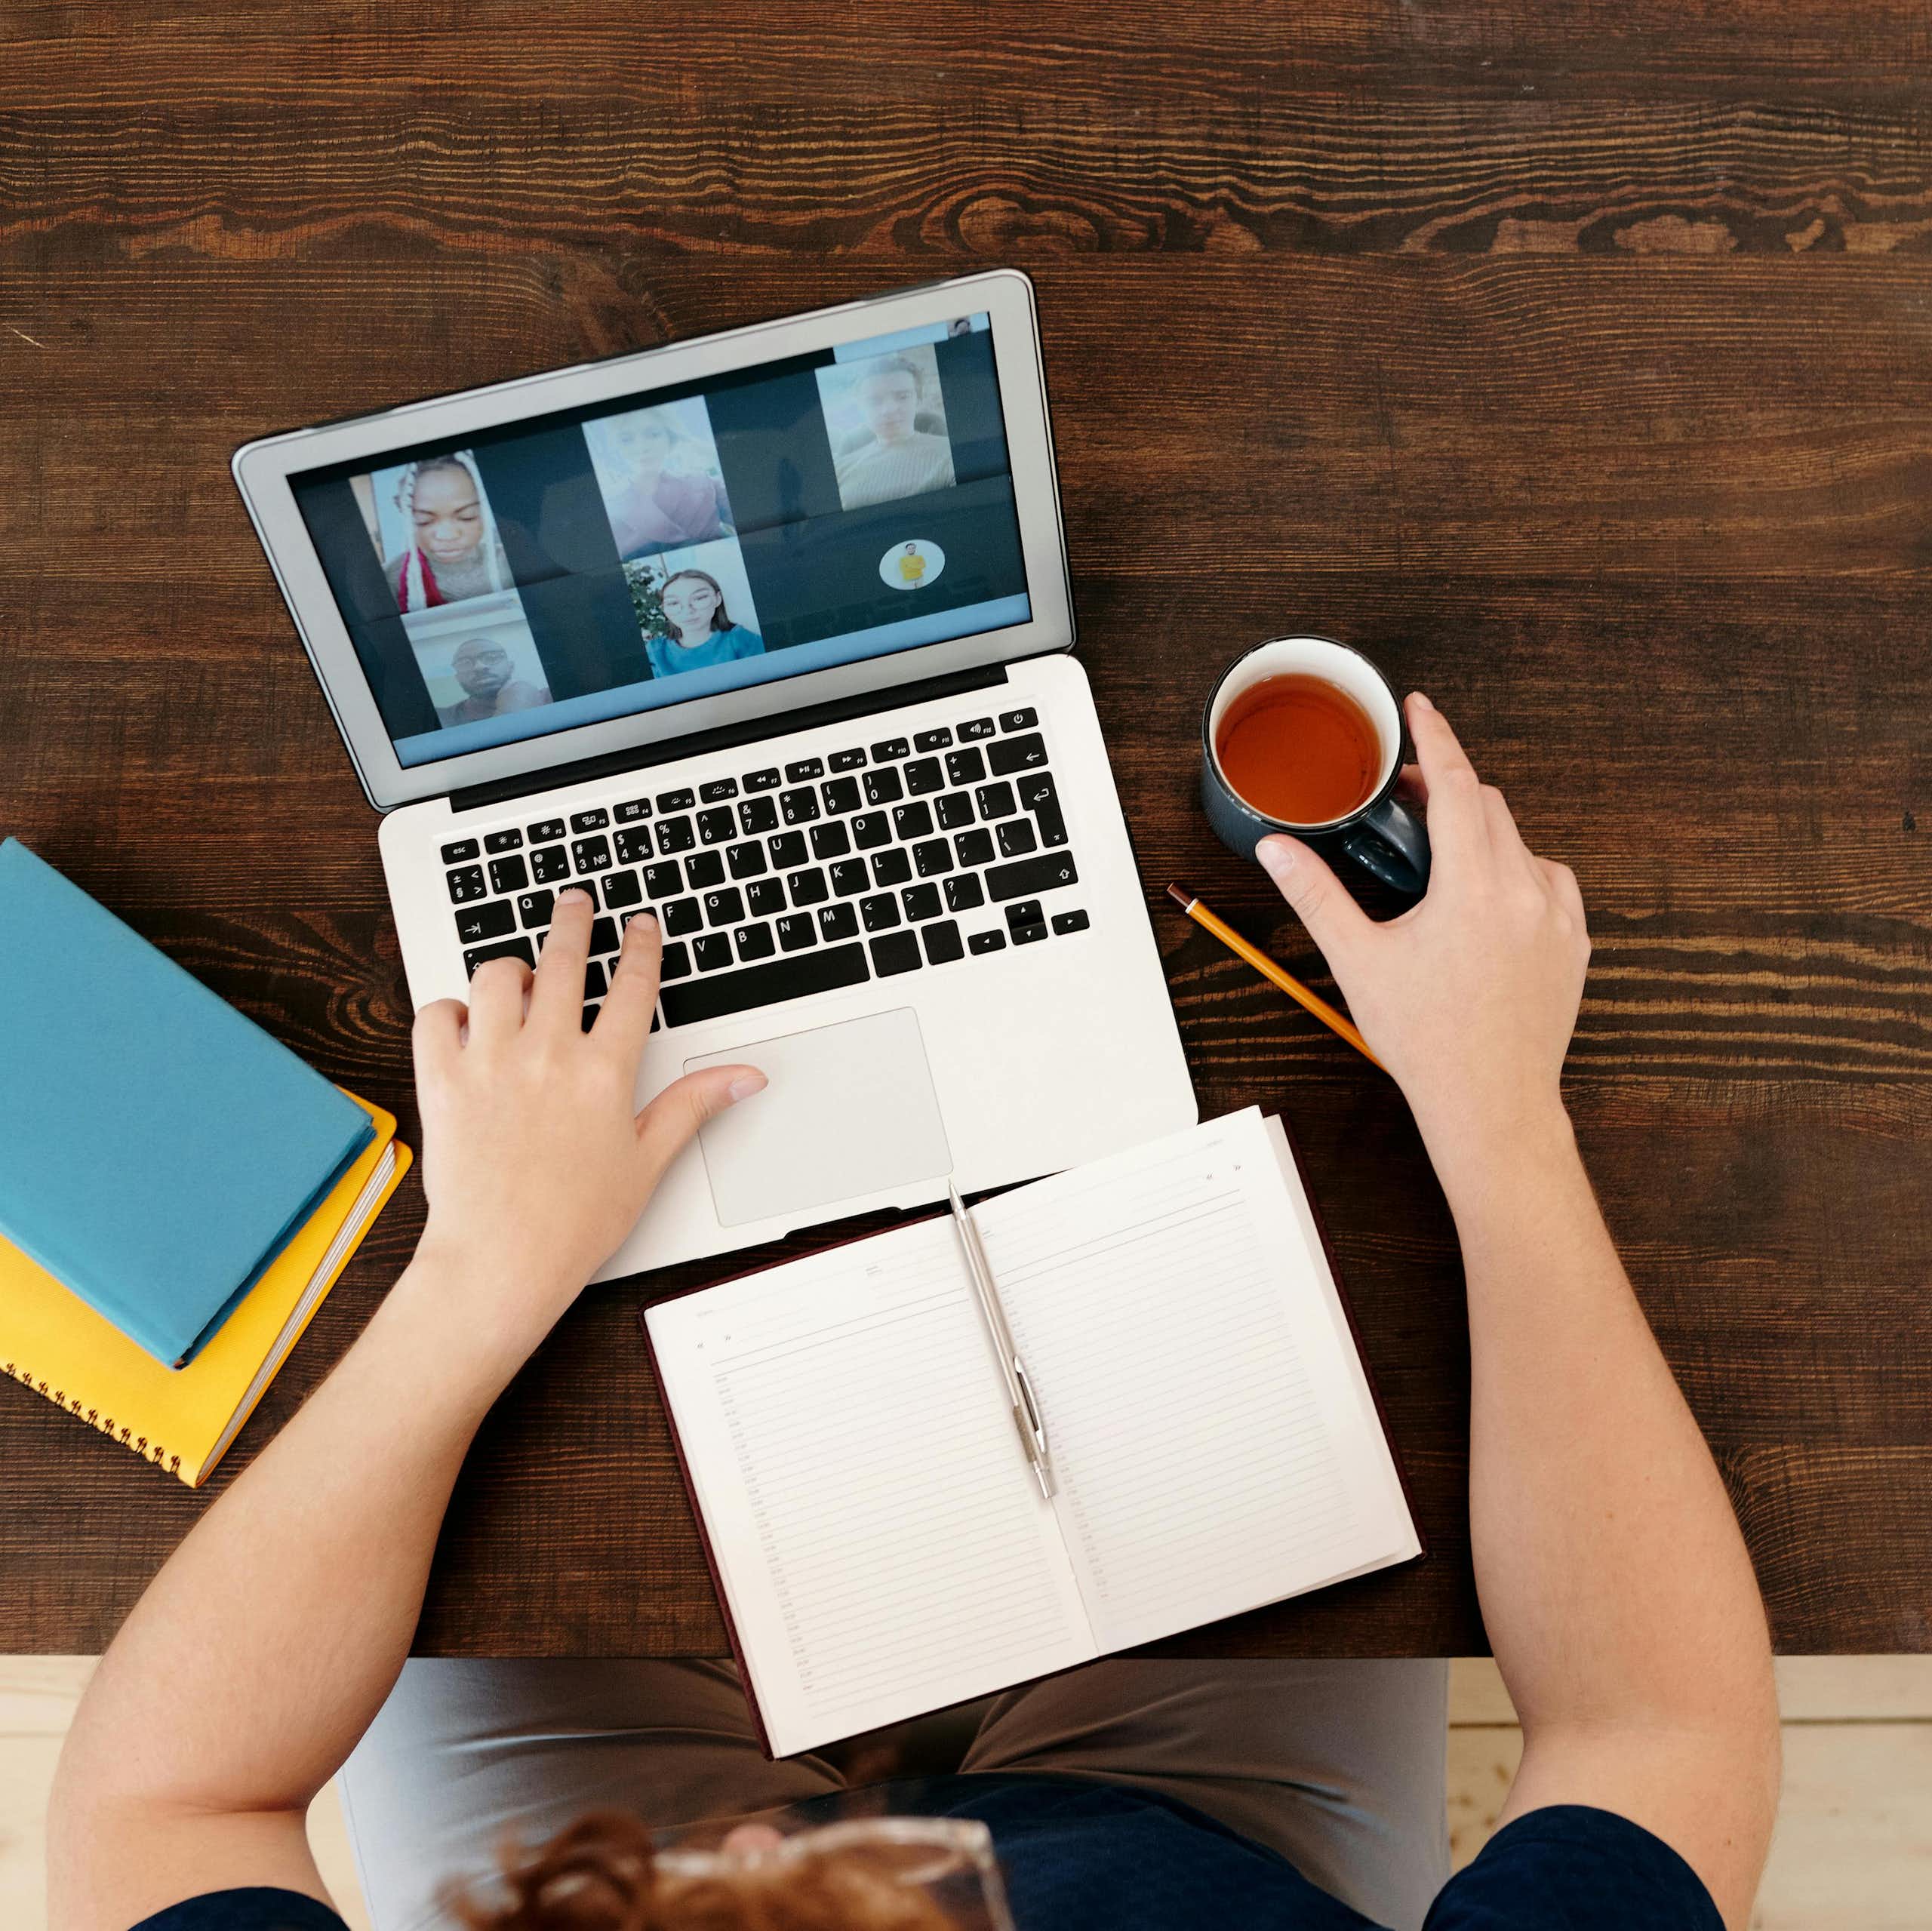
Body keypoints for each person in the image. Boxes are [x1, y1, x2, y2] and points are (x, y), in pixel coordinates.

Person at [48, 697, 1780, 1931]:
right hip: (1198, 1840)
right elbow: (1656, 1733)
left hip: (611, 1831)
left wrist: (477, 1277)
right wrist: (1496, 1108)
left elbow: (159, 1808)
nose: (797, 1850)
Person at [590, 409, 733, 559]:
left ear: (670, 436)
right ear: (616, 447)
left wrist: (713, 454)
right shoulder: (608, 505)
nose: (642, 448)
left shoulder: (704, 481)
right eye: (626, 440)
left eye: (653, 435)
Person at [383, 455, 512, 612]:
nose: (447, 535)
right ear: (406, 515)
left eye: (467, 516)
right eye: (424, 520)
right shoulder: (388, 579)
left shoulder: (512, 561)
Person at [832, 355, 956, 509]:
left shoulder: (950, 454)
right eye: (874, 401)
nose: (889, 410)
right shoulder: (839, 469)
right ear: (861, 409)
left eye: (903, 397)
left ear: (918, 401)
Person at [645, 569, 764, 679]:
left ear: (717, 599)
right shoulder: (654, 652)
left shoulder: (741, 639)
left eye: (699, 598)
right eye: (673, 603)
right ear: (664, 609)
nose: (688, 611)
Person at [434, 635, 551, 729]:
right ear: (457, 677)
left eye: (492, 657)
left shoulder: (550, 696)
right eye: (465, 663)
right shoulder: (441, 717)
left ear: (510, 667)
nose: (479, 667)